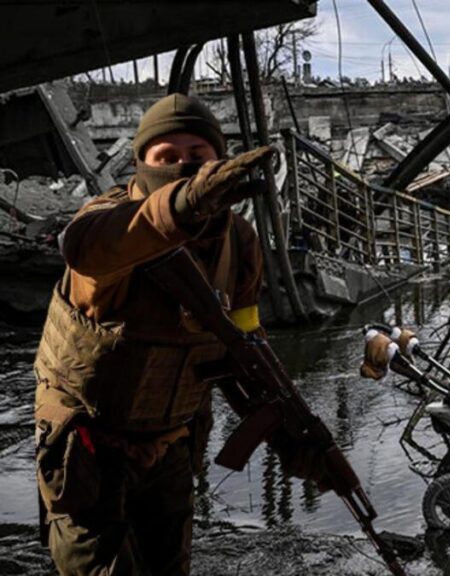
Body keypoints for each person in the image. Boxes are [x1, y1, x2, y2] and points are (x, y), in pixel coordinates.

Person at [33, 93, 281, 575]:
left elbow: (246, 337)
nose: (183, 166)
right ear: (141, 163)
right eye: (166, 157)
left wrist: (286, 423)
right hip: (88, 447)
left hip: (171, 439)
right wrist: (180, 207)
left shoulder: (238, 241)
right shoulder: (107, 221)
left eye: (197, 155)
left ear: (218, 160)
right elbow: (84, 249)